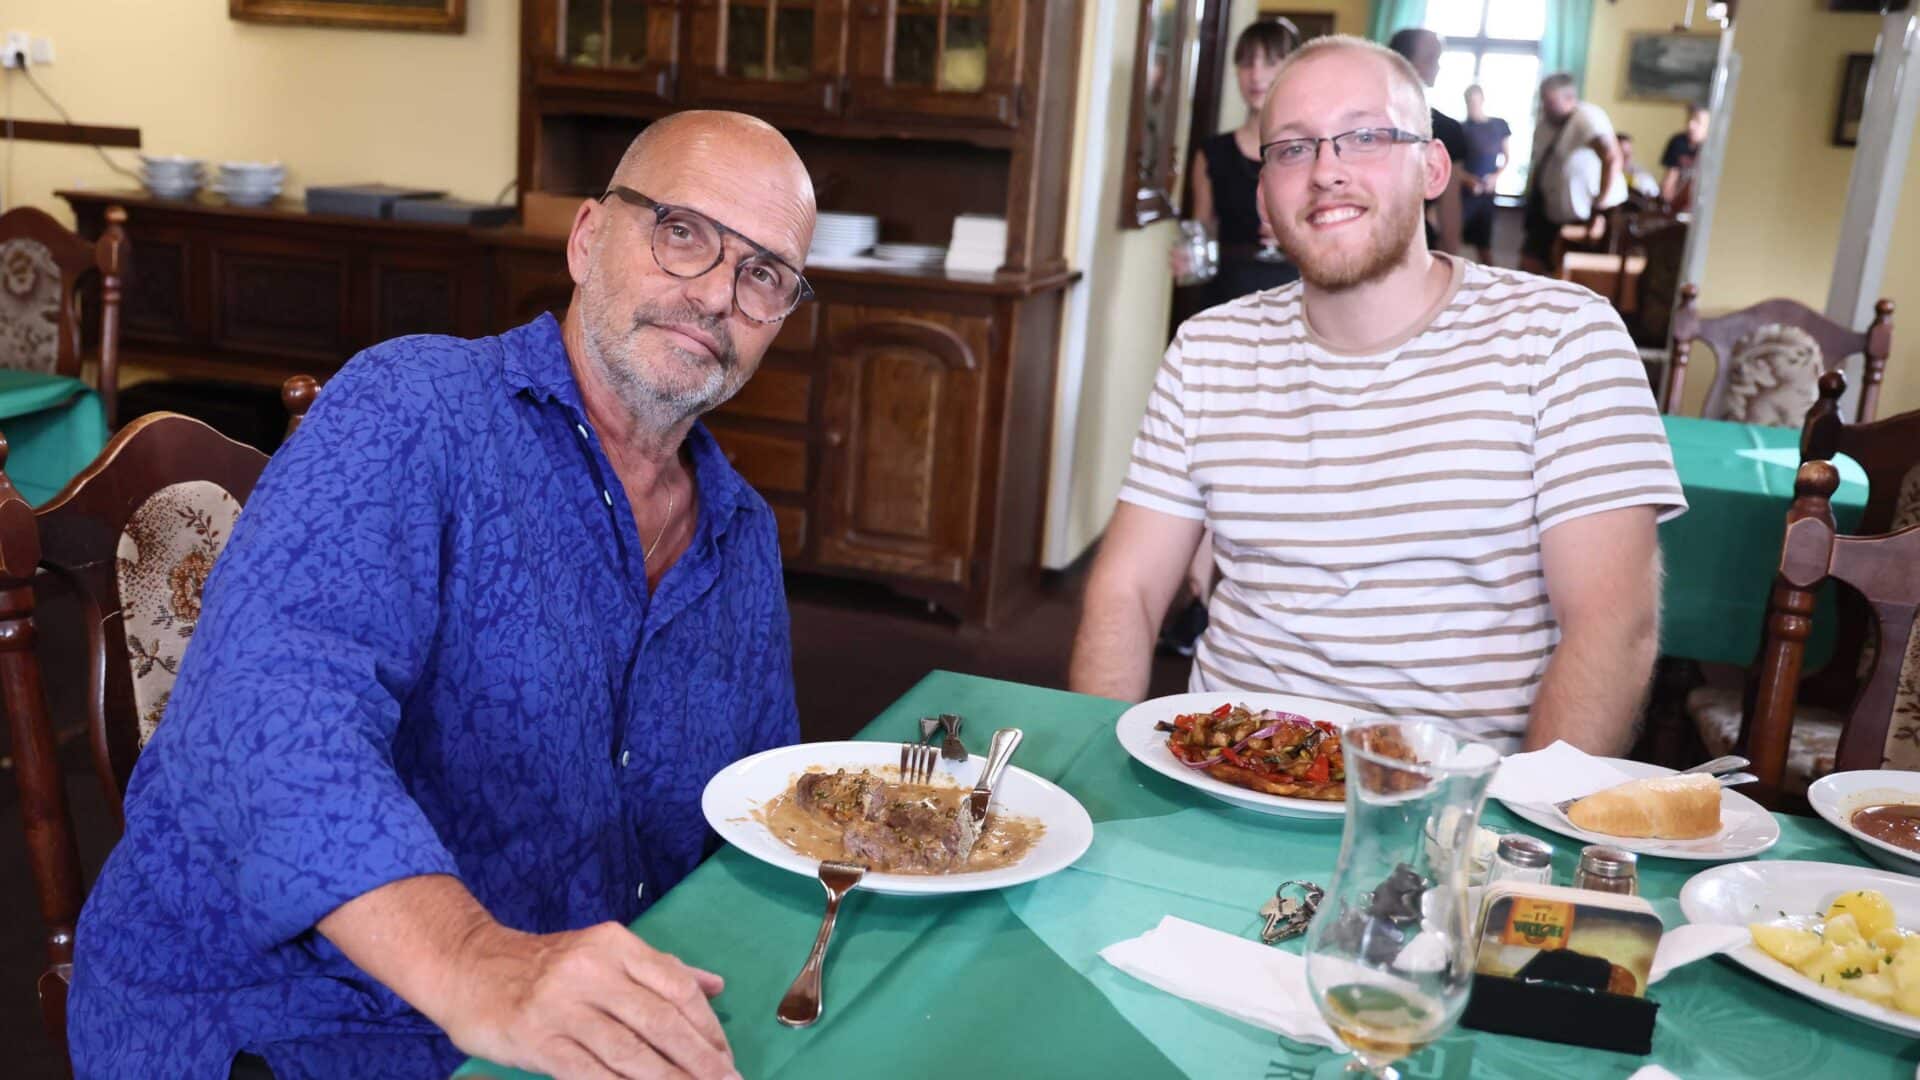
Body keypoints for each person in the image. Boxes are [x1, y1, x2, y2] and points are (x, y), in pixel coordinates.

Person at [68, 110, 812, 1080]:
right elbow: (267, 719)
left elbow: (753, 822)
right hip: (297, 1020)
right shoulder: (413, 411)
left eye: (764, 275)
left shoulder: (740, 537)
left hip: (570, 1016)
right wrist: (479, 966)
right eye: (682, 232)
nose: (716, 293)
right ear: (588, 238)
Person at [1068, 35, 1685, 756]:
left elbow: (1614, 626)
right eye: (1293, 149)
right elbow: (1128, 593)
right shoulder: (1207, 349)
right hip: (1228, 780)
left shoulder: (1561, 337)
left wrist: (1520, 832)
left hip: (1448, 809)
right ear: (1264, 191)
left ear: (1431, 168)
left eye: (1365, 136)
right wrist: (1093, 780)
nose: (1327, 171)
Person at [1175, 19, 1303, 306]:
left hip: (1295, 294)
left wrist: (1296, 237)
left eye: (1270, 62)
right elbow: (1202, 232)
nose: (1256, 75)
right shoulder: (1212, 152)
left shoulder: (1312, 148)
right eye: (1246, 63)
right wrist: (1190, 259)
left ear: (1293, 68)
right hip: (1227, 296)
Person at [1521, 72, 1626, 274]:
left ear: (1570, 99)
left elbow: (1611, 157)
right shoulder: (1546, 124)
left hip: (1586, 216)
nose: (1545, 107)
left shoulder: (1586, 117)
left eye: (1550, 102)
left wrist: (1600, 204)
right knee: (1531, 265)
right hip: (1549, 214)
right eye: (1543, 101)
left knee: (1571, 275)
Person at [1388, 27, 1468, 253]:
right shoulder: (1362, 122)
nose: (1438, 66)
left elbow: (1450, 205)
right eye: (1432, 58)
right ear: (1405, 62)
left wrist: (1452, 259)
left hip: (1415, 247)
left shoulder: (1447, 129)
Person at [1461, 84, 1511, 264]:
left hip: (1487, 195)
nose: (1472, 105)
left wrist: (1494, 177)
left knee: (1484, 245)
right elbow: (1453, 166)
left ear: (1482, 101)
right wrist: (1467, 180)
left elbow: (1507, 157)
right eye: (1469, 102)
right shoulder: (1461, 129)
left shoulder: (1498, 125)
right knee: (1451, 240)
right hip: (1464, 196)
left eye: (1475, 101)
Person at [1661, 104, 1710, 210]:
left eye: (1698, 121)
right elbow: (1670, 178)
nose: (1690, 125)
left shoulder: (1714, 148)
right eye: (1689, 119)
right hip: (1678, 203)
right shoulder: (1678, 141)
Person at [1618, 133, 1662, 200]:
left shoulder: (1642, 176)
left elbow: (1655, 196)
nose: (1628, 157)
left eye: (1630, 153)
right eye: (1622, 153)